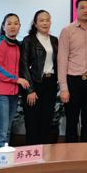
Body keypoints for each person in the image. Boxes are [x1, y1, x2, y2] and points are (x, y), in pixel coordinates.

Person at [57, 0, 87, 142]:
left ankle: (86, 152)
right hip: (73, 81)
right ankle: (71, 153)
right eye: (82, 7)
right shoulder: (67, 31)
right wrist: (63, 88)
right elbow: (62, 60)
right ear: (76, 10)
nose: (86, 10)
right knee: (71, 121)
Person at [0, 13, 29, 149]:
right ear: (3, 26)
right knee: (1, 130)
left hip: (13, 92)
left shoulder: (18, 45)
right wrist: (16, 79)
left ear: (19, 26)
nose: (13, 26)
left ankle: (4, 158)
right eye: (9, 23)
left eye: (16, 23)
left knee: (7, 130)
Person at [20, 10, 59, 145]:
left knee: (46, 121)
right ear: (35, 24)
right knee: (32, 122)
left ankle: (44, 153)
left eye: (47, 20)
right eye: (41, 20)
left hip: (50, 83)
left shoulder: (54, 40)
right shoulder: (28, 40)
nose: (45, 23)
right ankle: (32, 153)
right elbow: (23, 66)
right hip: (34, 83)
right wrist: (30, 90)